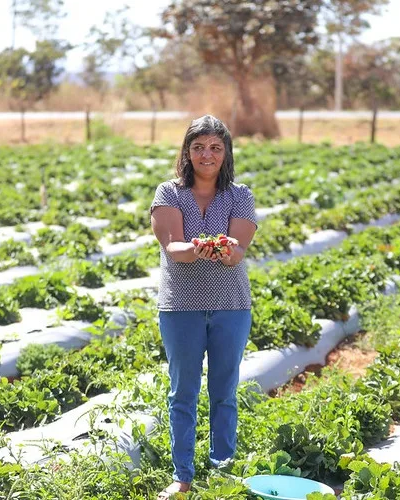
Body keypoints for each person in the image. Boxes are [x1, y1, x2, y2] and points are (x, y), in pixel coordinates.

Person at [150, 115, 258, 498]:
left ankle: (223, 469)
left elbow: (238, 251)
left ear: (225, 152)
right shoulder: (169, 193)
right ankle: (183, 476)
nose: (206, 155)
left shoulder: (240, 195)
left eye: (215, 147)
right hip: (181, 307)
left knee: (225, 390)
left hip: (231, 305)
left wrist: (227, 251)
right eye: (198, 147)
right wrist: (199, 247)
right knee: (183, 392)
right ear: (187, 151)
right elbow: (173, 247)